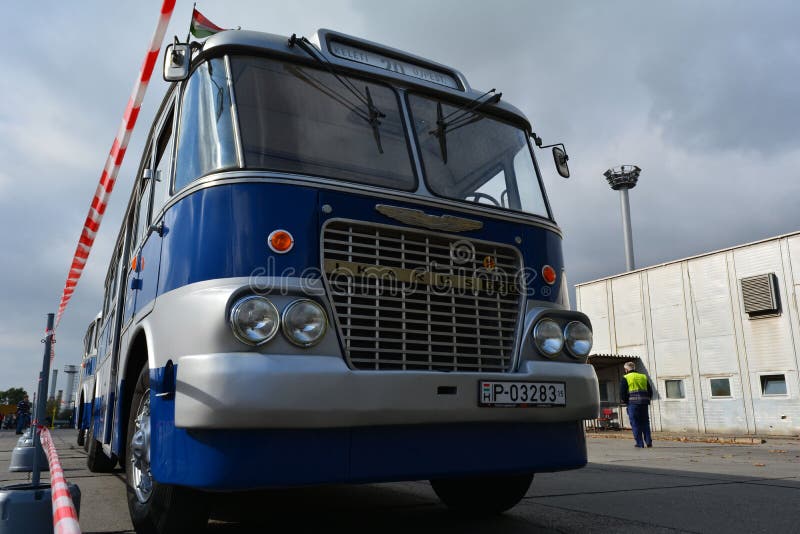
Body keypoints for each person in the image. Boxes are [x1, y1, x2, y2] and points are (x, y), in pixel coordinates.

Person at [620, 362, 653, 448]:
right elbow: (650, 391)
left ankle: (640, 443)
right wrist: (647, 399)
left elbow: (622, 393)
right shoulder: (643, 377)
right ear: (634, 368)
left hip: (633, 404)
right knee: (645, 422)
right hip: (644, 403)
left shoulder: (626, 377)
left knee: (635, 423)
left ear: (626, 369)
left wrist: (626, 401)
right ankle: (649, 442)